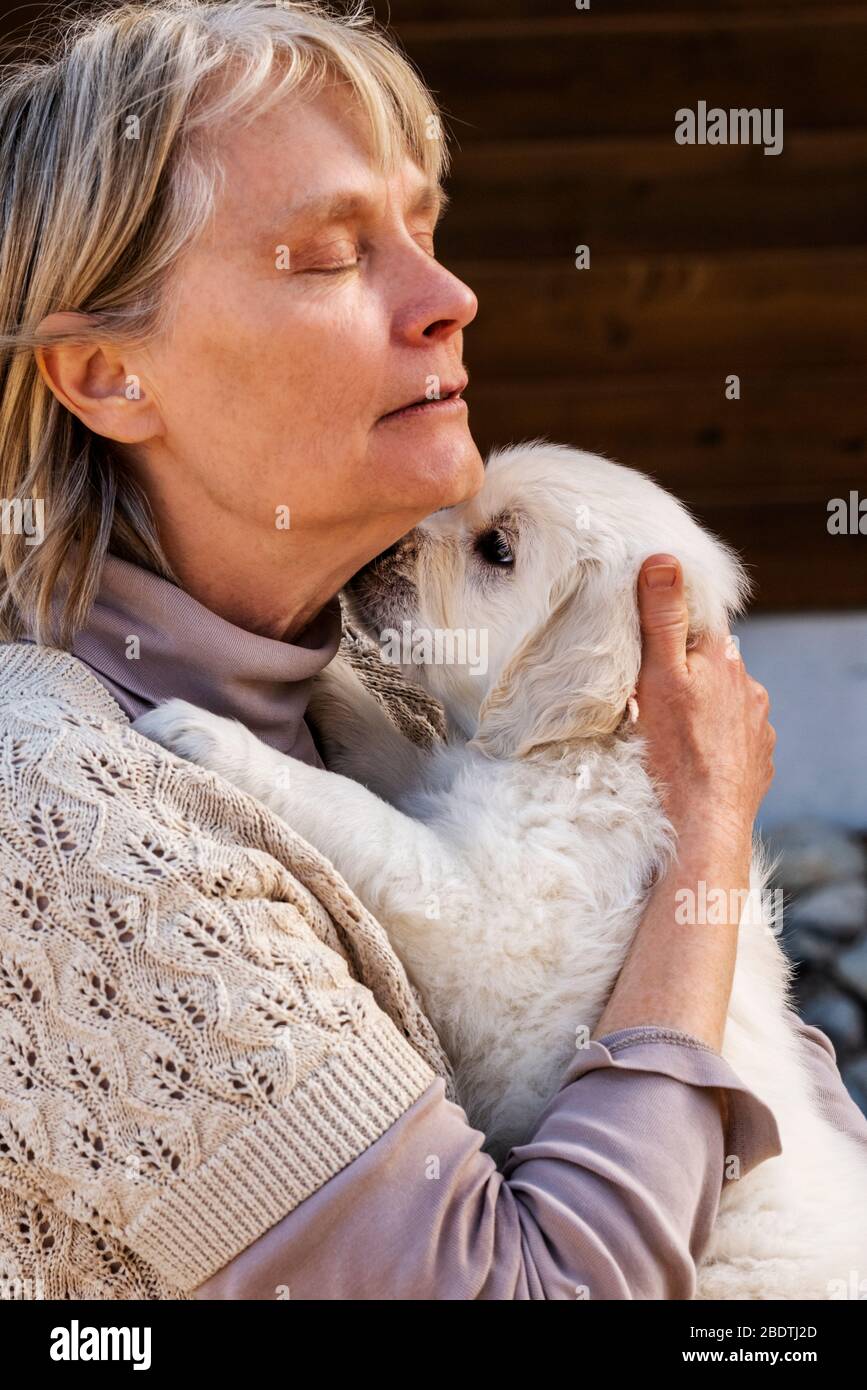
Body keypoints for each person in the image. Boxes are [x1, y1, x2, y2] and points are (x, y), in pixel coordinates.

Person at [0, 0, 863, 1302]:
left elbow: (792, 1131)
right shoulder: (59, 807)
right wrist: (707, 837)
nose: (452, 299)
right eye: (330, 255)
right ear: (108, 374)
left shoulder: (361, 697)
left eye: (427, 226)